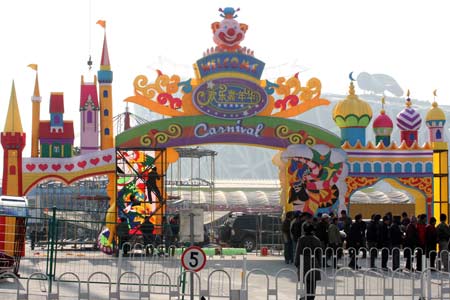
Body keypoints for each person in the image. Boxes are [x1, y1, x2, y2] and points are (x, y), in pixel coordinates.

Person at [295, 223, 322, 300]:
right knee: (313, 282)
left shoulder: (301, 239)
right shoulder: (317, 239)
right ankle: (311, 296)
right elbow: (319, 253)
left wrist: (297, 263)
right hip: (314, 263)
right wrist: (319, 263)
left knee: (307, 281)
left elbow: (298, 251)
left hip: (304, 263)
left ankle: (307, 297)